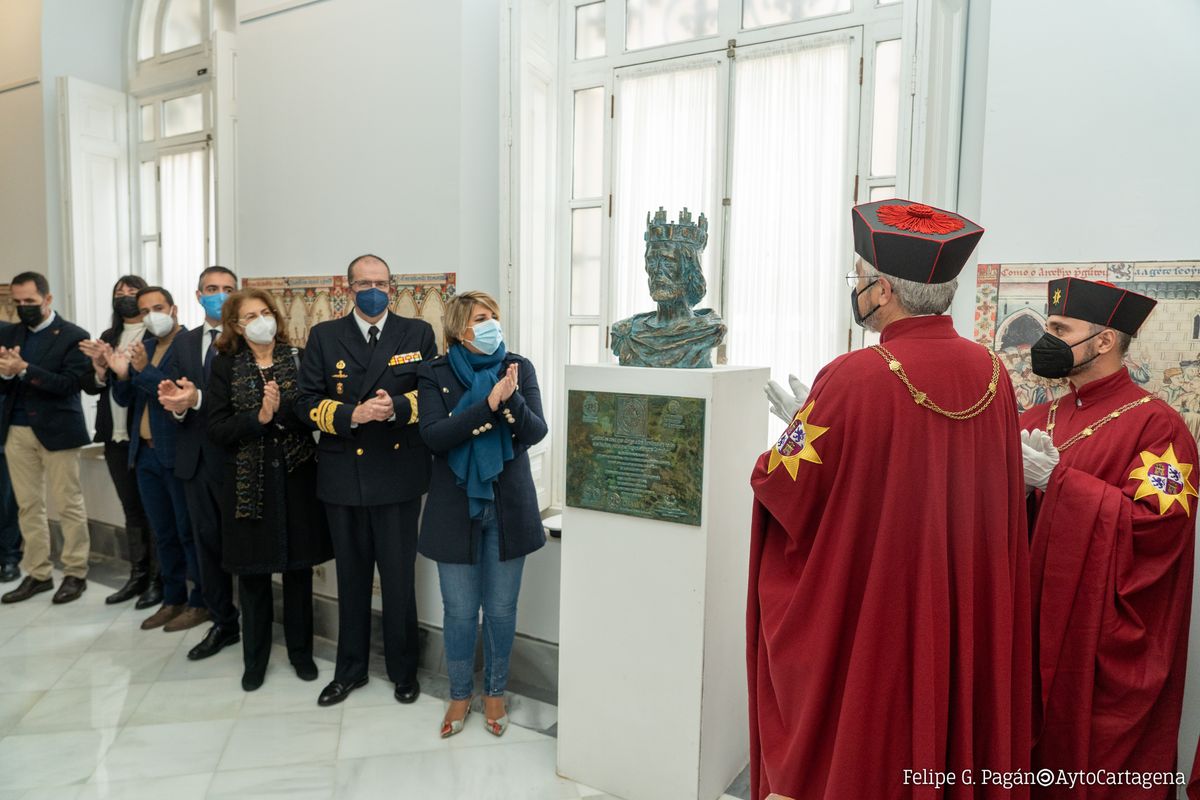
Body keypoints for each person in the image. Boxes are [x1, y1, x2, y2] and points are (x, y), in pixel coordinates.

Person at [749, 200, 1031, 799]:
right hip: (958, 600)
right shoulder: (993, 372)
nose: (856, 290)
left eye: (858, 279)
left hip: (874, 606)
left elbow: (781, 487)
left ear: (882, 292)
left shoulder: (853, 375)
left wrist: (798, 427)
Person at [1019, 278, 1198, 799]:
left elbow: (1163, 527)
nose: (1044, 339)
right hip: (1027, 625)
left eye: (1059, 329)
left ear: (1103, 342)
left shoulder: (1158, 428)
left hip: (1095, 641)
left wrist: (1061, 486)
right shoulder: (1034, 417)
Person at [297, 254, 436, 707]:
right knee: (351, 581)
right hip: (343, 477)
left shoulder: (416, 333)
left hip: (397, 475)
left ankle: (403, 671)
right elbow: (305, 402)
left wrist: (395, 406)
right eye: (364, 282)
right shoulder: (323, 336)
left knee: (398, 582)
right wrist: (351, 414)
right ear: (348, 288)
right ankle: (350, 670)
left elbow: (433, 394)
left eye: (380, 282)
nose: (372, 289)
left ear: (391, 287)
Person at [416, 291, 547, 738]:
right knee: (458, 611)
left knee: (501, 610)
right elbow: (435, 436)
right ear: (458, 329)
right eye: (480, 318)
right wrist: (488, 405)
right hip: (455, 509)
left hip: (509, 508)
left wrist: (510, 401)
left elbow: (535, 431)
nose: (491, 324)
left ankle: (494, 691)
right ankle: (458, 694)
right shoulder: (433, 373)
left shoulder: (518, 367)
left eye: (494, 316)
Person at [207, 289, 333, 691]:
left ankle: (301, 654)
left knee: (299, 573)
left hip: (297, 478)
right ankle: (254, 660)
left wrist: (285, 413)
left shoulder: (296, 358)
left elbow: (313, 411)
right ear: (236, 326)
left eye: (265, 313)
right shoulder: (225, 365)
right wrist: (258, 417)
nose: (261, 320)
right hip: (248, 485)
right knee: (254, 577)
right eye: (250, 316)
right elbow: (216, 428)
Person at [110, 287, 208, 633]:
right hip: (145, 452)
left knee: (186, 531)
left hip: (177, 453)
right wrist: (121, 373)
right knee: (162, 532)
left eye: (158, 307)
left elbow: (175, 392)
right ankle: (172, 598)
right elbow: (126, 399)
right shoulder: (146, 348)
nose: (153, 315)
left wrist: (143, 371)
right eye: (145, 309)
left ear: (174, 308)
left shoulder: (188, 345)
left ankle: (200, 602)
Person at [157, 266, 241, 660]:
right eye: (212, 289)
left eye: (227, 289)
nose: (219, 295)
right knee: (206, 545)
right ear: (197, 294)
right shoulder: (186, 343)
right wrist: (177, 405)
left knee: (247, 546)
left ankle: (255, 625)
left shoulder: (247, 341)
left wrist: (199, 400)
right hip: (196, 461)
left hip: (240, 461)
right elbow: (175, 395)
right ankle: (223, 621)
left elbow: (245, 402)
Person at [0, 272, 95, 605]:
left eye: (31, 301)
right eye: (19, 302)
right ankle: (37, 572)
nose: (24, 307)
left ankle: (75, 572)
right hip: (17, 428)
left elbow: (69, 384)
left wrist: (25, 369)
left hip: (59, 430)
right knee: (28, 505)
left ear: (48, 299)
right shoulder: (9, 332)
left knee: (68, 504)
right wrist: (4, 372)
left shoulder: (73, 336)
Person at [79, 275, 161, 608]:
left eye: (133, 292)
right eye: (119, 293)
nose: (126, 297)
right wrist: (100, 368)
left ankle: (160, 579)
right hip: (114, 436)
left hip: (144, 436)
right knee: (132, 510)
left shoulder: (156, 336)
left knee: (155, 512)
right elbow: (92, 385)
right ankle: (137, 575)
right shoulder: (108, 337)